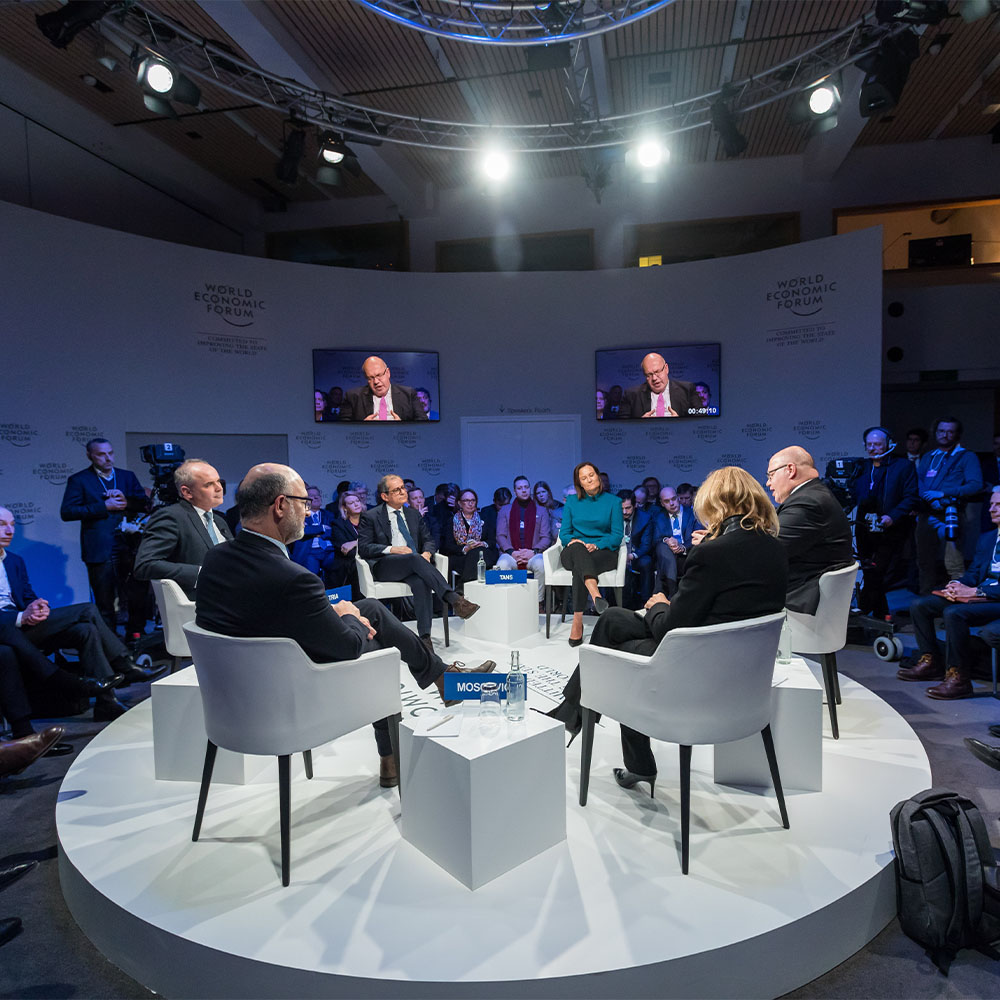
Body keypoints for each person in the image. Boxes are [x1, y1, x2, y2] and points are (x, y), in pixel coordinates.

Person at [195, 464, 494, 788]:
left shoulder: (216, 558)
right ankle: (397, 746)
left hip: (234, 695)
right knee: (377, 639)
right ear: (280, 506)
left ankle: (441, 678)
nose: (308, 512)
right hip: (290, 697)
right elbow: (348, 647)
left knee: (371, 608)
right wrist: (349, 614)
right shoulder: (294, 578)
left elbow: (268, 615)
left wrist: (334, 611)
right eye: (303, 503)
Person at [545, 467, 788, 785]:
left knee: (616, 649)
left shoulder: (713, 552)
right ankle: (572, 713)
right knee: (612, 619)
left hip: (695, 666)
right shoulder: (775, 547)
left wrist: (659, 604)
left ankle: (592, 729)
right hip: (741, 666)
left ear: (717, 504)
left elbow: (669, 629)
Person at [0, 505, 161, 719]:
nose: (9, 531)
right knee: (87, 609)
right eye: (2, 525)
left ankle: (107, 703)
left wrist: (38, 606)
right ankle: (124, 663)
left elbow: (27, 596)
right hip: (6, 629)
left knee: (86, 630)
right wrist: (22, 616)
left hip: (23, 626)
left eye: (12, 525)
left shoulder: (14, 560)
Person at [897, 487, 1000, 700]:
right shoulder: (988, 537)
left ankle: (959, 678)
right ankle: (931, 661)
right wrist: (956, 584)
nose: (992, 509)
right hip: (979, 595)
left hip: (995, 599)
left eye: (998, 505)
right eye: (991, 504)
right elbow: (974, 573)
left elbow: (978, 586)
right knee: (921, 605)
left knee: (954, 613)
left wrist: (976, 590)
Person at [357, 475, 479, 646]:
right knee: (414, 557)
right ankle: (454, 598)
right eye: (396, 490)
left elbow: (428, 540)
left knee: (421, 582)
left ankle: (425, 638)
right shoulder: (371, 516)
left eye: (403, 488)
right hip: (386, 566)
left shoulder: (413, 514)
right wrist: (393, 549)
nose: (402, 492)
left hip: (414, 565)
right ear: (385, 496)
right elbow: (364, 547)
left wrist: (427, 554)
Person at [60, 438, 147, 633]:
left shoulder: (126, 476)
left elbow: (144, 504)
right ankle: (110, 643)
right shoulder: (80, 480)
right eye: (101, 454)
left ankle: (136, 637)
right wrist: (103, 506)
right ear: (90, 456)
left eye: (110, 453)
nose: (108, 458)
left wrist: (127, 502)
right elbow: (67, 512)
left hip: (130, 545)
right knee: (105, 601)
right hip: (99, 547)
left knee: (137, 596)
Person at [765, 446, 854, 615]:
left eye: (771, 475)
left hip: (798, 599)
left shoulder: (808, 502)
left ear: (790, 470)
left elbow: (767, 551)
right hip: (804, 592)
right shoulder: (811, 495)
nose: (768, 483)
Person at [133, 459, 234, 599]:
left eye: (219, 482)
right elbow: (145, 565)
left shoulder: (219, 520)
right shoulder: (171, 517)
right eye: (209, 484)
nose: (219, 488)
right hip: (201, 601)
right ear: (187, 492)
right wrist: (201, 574)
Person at [849, 427, 918, 617]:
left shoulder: (903, 466)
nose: (873, 448)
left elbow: (911, 497)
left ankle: (863, 612)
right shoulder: (861, 467)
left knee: (878, 572)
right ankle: (881, 616)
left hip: (891, 529)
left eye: (878, 444)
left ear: (888, 444)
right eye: (869, 444)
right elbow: (853, 494)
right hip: (864, 528)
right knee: (870, 573)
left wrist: (892, 516)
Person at [914, 417, 983, 593]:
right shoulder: (929, 456)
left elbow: (976, 485)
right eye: (941, 431)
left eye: (950, 431)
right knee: (924, 561)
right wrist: (931, 499)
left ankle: (957, 599)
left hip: (951, 512)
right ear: (935, 432)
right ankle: (925, 599)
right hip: (927, 513)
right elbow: (918, 481)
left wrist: (943, 493)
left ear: (957, 434)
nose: (945, 435)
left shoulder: (967, 456)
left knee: (954, 562)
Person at [559, 462, 624, 646]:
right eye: (584, 478)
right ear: (579, 483)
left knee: (580, 567)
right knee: (579, 551)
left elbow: (616, 536)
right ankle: (596, 595)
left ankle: (577, 621)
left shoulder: (614, 502)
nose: (589, 480)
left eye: (591, 475)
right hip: (574, 551)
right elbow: (564, 534)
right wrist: (576, 542)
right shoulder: (572, 501)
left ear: (598, 475)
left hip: (603, 553)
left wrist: (596, 545)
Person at [496, 477, 551, 601]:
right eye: (520, 488)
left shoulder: (541, 511)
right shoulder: (505, 510)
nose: (524, 490)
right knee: (502, 564)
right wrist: (512, 552)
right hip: (511, 553)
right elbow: (500, 535)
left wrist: (533, 551)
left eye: (526, 487)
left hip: (533, 553)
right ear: (515, 491)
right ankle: (507, 601)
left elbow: (546, 537)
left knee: (541, 565)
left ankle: (538, 602)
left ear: (530, 489)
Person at [344, 355, 428, 422]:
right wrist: (362, 427)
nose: (376, 381)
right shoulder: (352, 397)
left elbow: (423, 423)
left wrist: (402, 427)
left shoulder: (409, 394)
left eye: (379, 375)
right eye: (370, 378)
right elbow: (342, 428)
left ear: (388, 373)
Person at [653, 485, 700, 596]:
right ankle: (673, 592)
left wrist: (682, 547)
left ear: (678, 497)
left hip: (687, 555)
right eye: (667, 501)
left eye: (673, 499)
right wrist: (668, 541)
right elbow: (655, 539)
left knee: (663, 563)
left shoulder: (693, 514)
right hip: (668, 554)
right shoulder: (658, 517)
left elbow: (697, 536)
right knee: (662, 547)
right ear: (662, 503)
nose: (672, 503)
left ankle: (667, 593)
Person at [622, 353, 699, 419]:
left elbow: (701, 420)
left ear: (666, 369)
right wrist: (640, 425)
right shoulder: (631, 395)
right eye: (649, 375)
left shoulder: (687, 390)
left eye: (657, 372)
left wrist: (679, 423)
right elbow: (621, 426)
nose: (654, 378)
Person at [288, 484, 338, 583]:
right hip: (310, 552)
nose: (315, 497)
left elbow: (334, 531)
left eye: (317, 495)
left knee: (337, 570)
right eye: (311, 495)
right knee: (311, 577)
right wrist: (322, 528)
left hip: (329, 550)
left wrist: (313, 531)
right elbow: (303, 531)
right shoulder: (299, 515)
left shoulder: (329, 514)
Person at [450, 489, 500, 584]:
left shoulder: (484, 518)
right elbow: (447, 546)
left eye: (473, 500)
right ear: (460, 503)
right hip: (461, 556)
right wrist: (466, 548)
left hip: (483, 554)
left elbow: (492, 541)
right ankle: (466, 586)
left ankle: (463, 586)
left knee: (478, 552)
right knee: (474, 556)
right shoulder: (451, 521)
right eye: (466, 500)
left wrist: (482, 543)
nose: (470, 504)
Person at [619, 489, 655, 608]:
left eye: (628, 508)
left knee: (646, 562)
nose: (624, 512)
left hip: (636, 555)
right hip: (617, 555)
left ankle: (645, 601)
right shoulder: (612, 516)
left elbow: (646, 544)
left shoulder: (645, 518)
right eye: (621, 508)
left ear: (635, 505)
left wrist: (631, 556)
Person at [328, 491, 364, 595]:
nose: (356, 504)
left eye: (357, 501)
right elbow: (345, 549)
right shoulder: (338, 524)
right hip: (348, 565)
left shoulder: (369, 520)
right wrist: (365, 545)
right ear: (344, 508)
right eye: (351, 503)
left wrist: (355, 542)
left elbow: (377, 541)